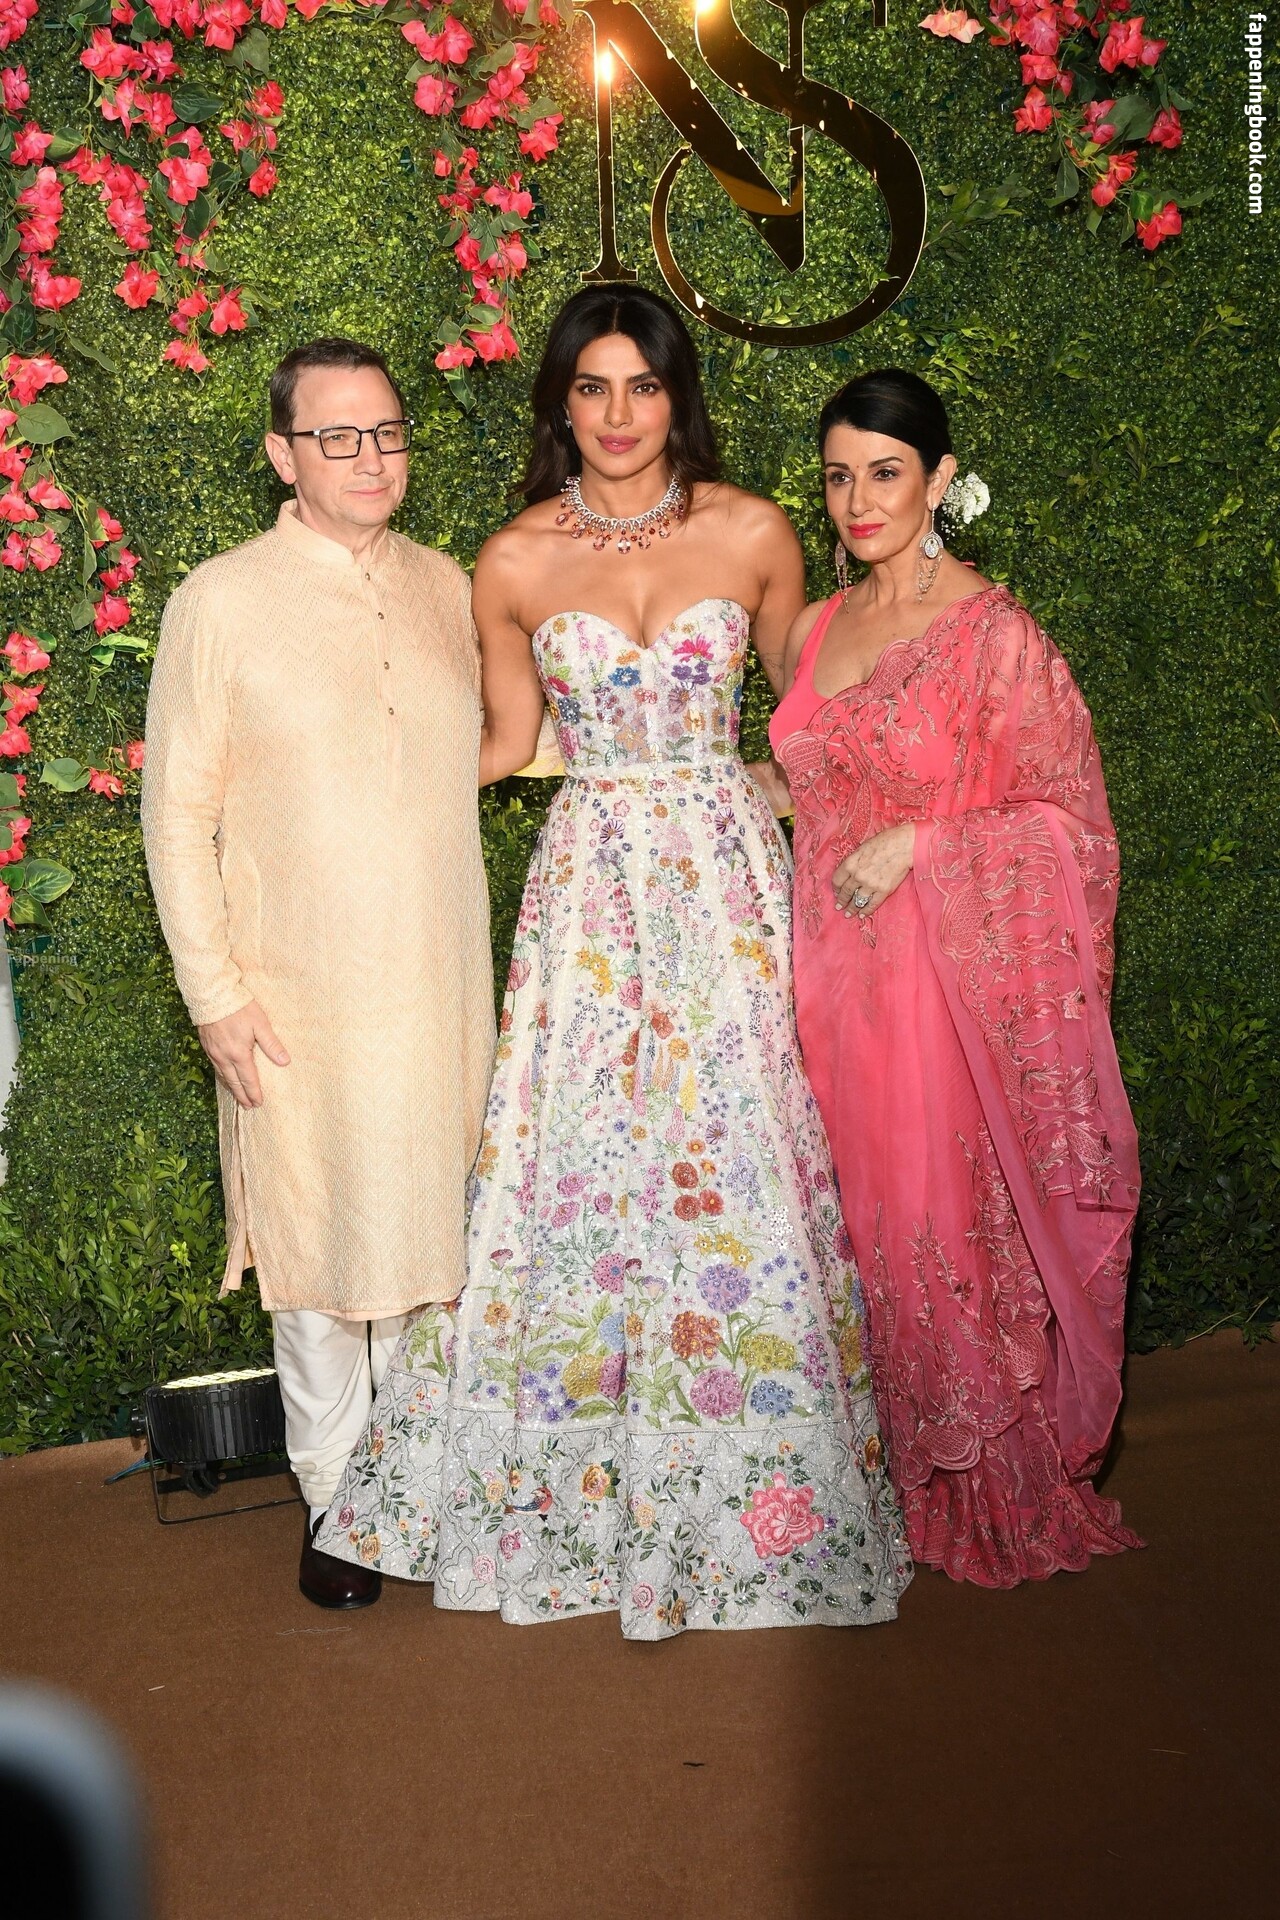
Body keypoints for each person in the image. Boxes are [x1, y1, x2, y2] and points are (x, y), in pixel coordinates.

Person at [318, 286, 911, 1637]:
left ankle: (758, 1490)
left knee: (738, 1151)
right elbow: (496, 743)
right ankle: (564, 1491)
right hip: (589, 892)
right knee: (573, 1164)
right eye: (591, 388)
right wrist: (345, 797)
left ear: (675, 393)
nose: (619, 414)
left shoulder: (753, 532)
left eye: (642, 385)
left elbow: (813, 726)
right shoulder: (513, 559)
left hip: (724, 885)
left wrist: (830, 798)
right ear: (561, 404)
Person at [767, 368, 1142, 1587]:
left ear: (938, 479)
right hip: (823, 984)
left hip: (940, 995)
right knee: (845, 1227)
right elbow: (805, 783)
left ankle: (977, 1483)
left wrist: (925, 844)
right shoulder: (813, 628)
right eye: (838, 477)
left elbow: (1069, 827)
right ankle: (869, 1471)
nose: (858, 500)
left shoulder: (993, 635)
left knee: (929, 1219)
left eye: (885, 473)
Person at [142, 338, 494, 1610]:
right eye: (337, 437)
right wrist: (214, 996)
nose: (369, 458)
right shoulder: (220, 600)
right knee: (318, 1260)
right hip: (292, 998)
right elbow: (175, 813)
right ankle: (341, 1504)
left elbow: (505, 746)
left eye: (387, 432)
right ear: (282, 456)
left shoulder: (448, 587)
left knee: (429, 1252)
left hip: (439, 988)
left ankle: (425, 1489)